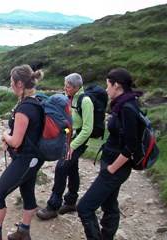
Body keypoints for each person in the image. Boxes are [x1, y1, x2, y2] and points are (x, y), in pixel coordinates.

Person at [0, 64, 44, 240]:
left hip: (26, 158)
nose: (10, 86)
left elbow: (16, 141)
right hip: (34, 158)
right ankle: (23, 232)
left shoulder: (25, 108)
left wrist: (5, 135)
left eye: (11, 82)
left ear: (20, 84)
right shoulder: (34, 102)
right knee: (28, 192)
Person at [77, 68, 143, 240]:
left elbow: (131, 146)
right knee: (109, 204)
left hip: (116, 167)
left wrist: (112, 169)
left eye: (108, 85)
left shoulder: (127, 108)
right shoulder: (124, 103)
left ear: (117, 85)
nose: (106, 90)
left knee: (84, 207)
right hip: (112, 162)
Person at [37, 73, 94, 220]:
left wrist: (72, 146)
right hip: (68, 138)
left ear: (76, 87)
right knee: (72, 167)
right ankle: (71, 202)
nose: (65, 88)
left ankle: (53, 206)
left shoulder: (85, 101)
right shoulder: (67, 97)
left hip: (79, 141)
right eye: (65, 85)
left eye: (68, 86)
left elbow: (88, 128)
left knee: (61, 168)